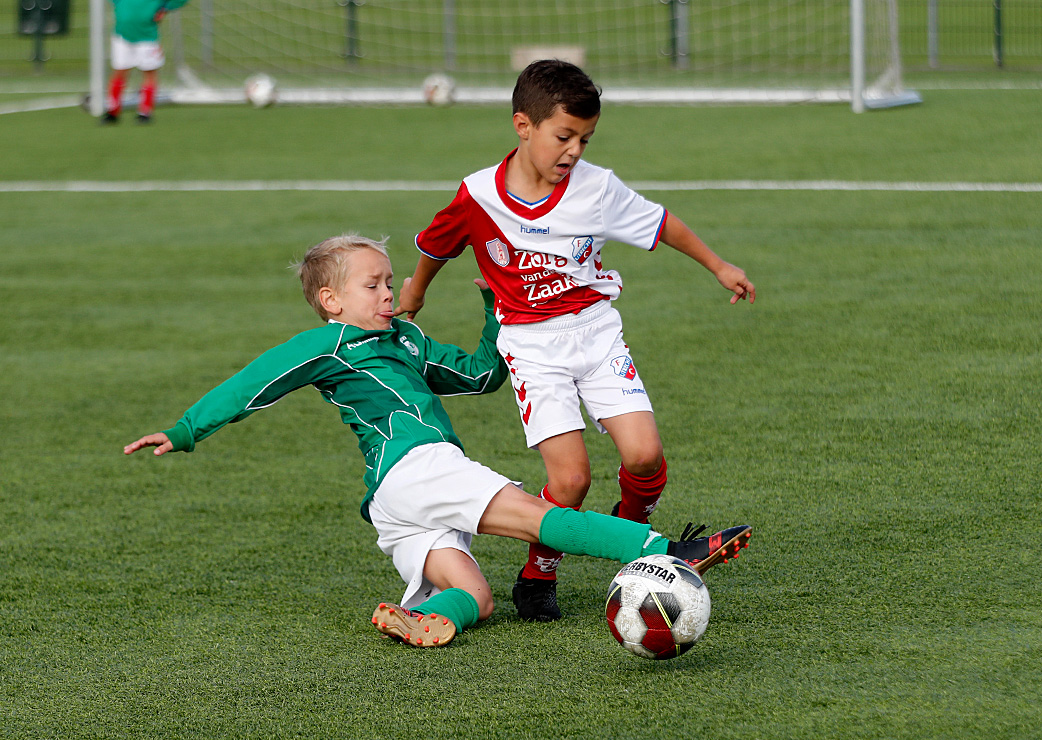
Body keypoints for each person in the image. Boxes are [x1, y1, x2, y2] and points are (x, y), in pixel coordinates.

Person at [123, 235, 751, 648]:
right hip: (417, 469)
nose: (389, 292)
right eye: (372, 285)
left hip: (394, 508)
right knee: (542, 518)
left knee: (476, 596)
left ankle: (430, 620)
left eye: (390, 281)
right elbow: (249, 385)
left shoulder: (406, 341)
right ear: (330, 299)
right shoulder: (326, 344)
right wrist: (184, 431)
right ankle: (670, 550)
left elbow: (480, 375)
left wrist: (492, 313)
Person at [394, 60, 756, 622]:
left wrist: (718, 264)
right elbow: (437, 243)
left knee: (644, 455)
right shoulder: (477, 195)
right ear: (523, 126)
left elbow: (661, 224)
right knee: (571, 479)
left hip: (596, 331)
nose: (574, 151)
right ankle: (539, 570)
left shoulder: (596, 187)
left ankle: (630, 536)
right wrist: (415, 292)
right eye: (564, 136)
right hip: (531, 347)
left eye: (585, 139)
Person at [102, 0, 186, 124]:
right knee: (120, 71)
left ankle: (145, 112)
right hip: (122, 35)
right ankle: (112, 111)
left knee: (149, 72)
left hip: (147, 36)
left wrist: (165, 8)